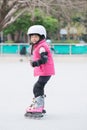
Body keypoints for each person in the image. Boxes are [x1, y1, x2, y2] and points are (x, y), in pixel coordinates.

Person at [26, 25, 55, 113]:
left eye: (36, 36)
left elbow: (44, 59)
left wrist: (35, 63)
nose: (33, 38)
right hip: (45, 71)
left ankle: (38, 106)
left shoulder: (42, 47)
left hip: (46, 71)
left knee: (37, 87)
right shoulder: (38, 45)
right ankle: (40, 105)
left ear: (41, 36)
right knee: (39, 87)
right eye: (32, 36)